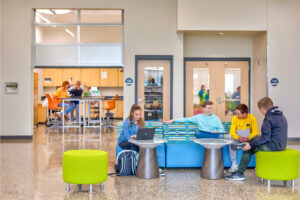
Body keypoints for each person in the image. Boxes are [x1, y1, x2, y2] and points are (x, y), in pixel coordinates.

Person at [225, 97, 288, 181]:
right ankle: (246, 144)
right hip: (281, 145)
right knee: (256, 137)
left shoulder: (268, 118)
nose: (261, 112)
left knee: (248, 149)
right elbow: (267, 136)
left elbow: (265, 137)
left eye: (260, 110)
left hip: (272, 147)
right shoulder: (281, 116)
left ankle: (239, 174)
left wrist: (251, 145)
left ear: (262, 108)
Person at [228, 104, 259, 173]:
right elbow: (232, 131)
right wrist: (238, 137)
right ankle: (234, 164)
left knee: (258, 140)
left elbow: (255, 132)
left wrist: (248, 138)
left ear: (244, 113)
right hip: (238, 138)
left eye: (238, 114)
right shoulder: (235, 118)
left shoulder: (252, 118)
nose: (236, 115)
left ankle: (258, 165)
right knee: (231, 141)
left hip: (249, 139)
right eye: (236, 113)